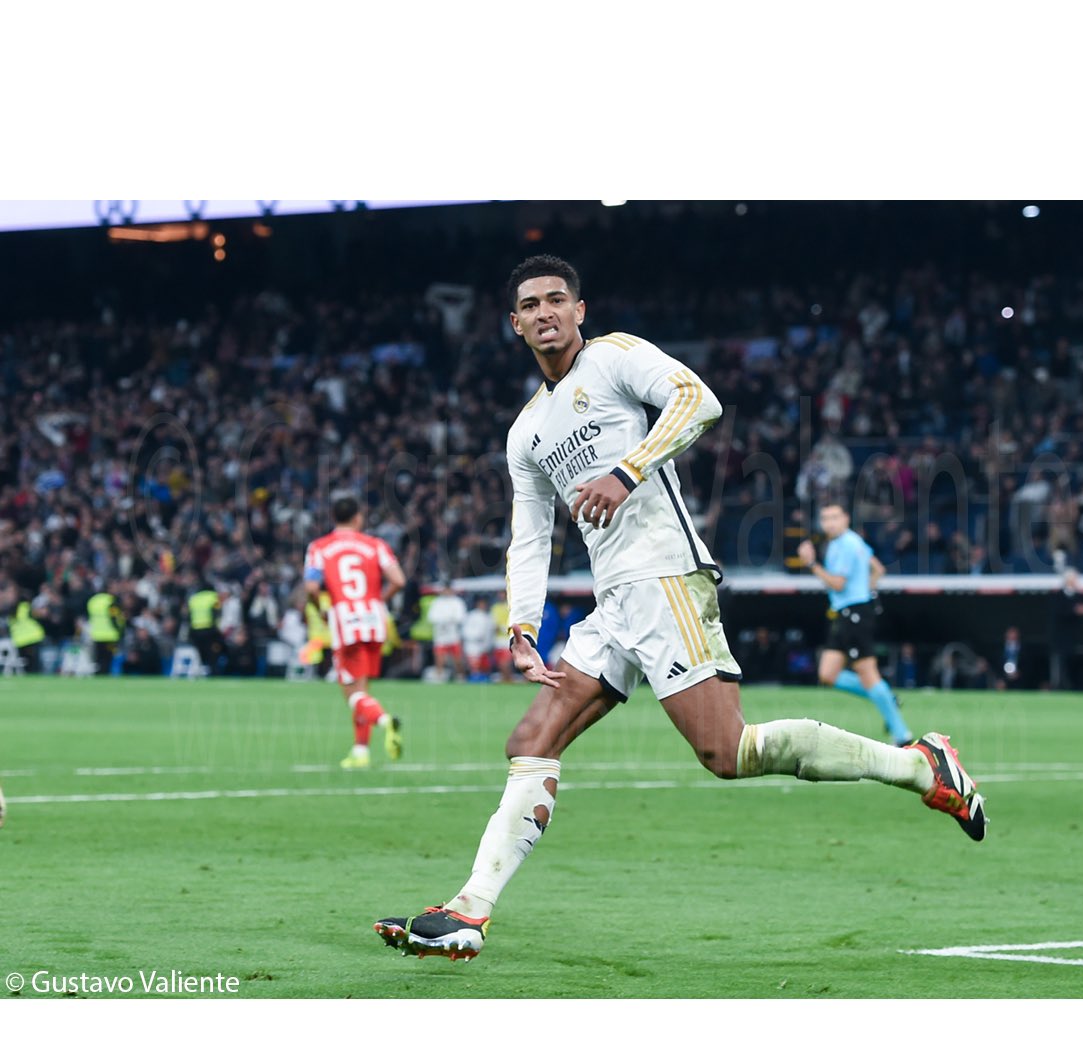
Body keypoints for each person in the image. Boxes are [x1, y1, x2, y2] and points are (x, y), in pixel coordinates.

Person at [375, 254, 986, 962]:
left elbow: (699, 400)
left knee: (727, 752)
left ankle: (920, 766)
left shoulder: (614, 359)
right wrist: (522, 626)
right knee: (530, 743)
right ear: (514, 325)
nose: (544, 312)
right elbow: (530, 533)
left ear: (579, 310)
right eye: (531, 306)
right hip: (613, 605)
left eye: (556, 300)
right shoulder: (526, 432)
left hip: (665, 578)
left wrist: (626, 471)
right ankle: (468, 911)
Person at [303, 495, 406, 769]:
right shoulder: (375, 545)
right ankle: (360, 752)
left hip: (345, 622)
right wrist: (378, 600)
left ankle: (385, 721)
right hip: (374, 619)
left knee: (353, 694)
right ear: (358, 517)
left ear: (334, 517)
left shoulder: (320, 547)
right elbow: (398, 579)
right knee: (363, 689)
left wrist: (321, 608)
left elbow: (312, 588)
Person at [797, 504, 913, 746]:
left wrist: (811, 564)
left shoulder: (844, 545)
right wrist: (865, 591)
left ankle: (902, 734)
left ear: (846, 519)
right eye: (825, 518)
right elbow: (878, 569)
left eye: (834, 518)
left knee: (867, 672)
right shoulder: (854, 541)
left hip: (854, 613)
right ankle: (886, 696)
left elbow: (837, 584)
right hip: (848, 612)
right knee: (827, 674)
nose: (829, 523)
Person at [427, 582, 467, 681]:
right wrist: (443, 621)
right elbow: (431, 617)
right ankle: (439, 676)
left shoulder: (457, 602)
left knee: (457, 658)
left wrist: (449, 620)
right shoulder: (437, 602)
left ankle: (460, 676)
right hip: (440, 635)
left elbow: (461, 617)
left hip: (453, 635)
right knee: (439, 657)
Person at [86, 583, 124, 675]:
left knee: (98, 659)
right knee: (107, 659)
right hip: (110, 636)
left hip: (96, 635)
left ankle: (98, 677)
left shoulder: (93, 601)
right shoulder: (111, 601)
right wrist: (120, 630)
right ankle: (105, 676)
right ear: (109, 589)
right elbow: (114, 617)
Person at [462, 595, 495, 681]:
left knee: (484, 666)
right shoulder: (471, 615)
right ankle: (473, 678)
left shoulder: (488, 617)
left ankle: (483, 679)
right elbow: (465, 631)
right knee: (474, 665)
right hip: (473, 645)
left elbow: (490, 633)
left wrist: (489, 645)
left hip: (485, 647)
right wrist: (476, 636)